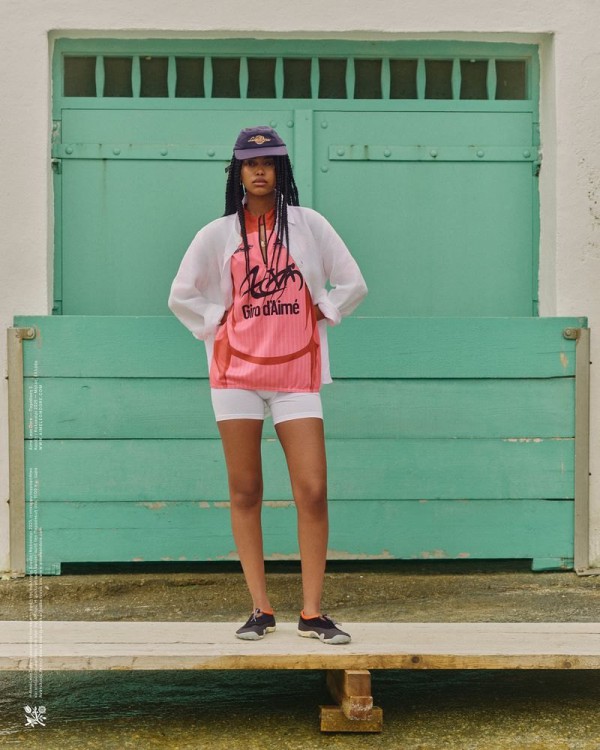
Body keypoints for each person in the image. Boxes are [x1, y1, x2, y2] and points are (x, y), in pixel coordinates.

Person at [168, 125, 367, 644]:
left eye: (270, 162)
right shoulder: (217, 234)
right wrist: (218, 320)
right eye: (250, 163)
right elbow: (181, 294)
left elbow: (353, 283)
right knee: (245, 490)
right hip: (234, 375)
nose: (260, 171)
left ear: (282, 170)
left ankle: (312, 613)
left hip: (296, 374)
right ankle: (260, 608)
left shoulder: (309, 225)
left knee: (313, 490)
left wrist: (322, 310)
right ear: (237, 172)